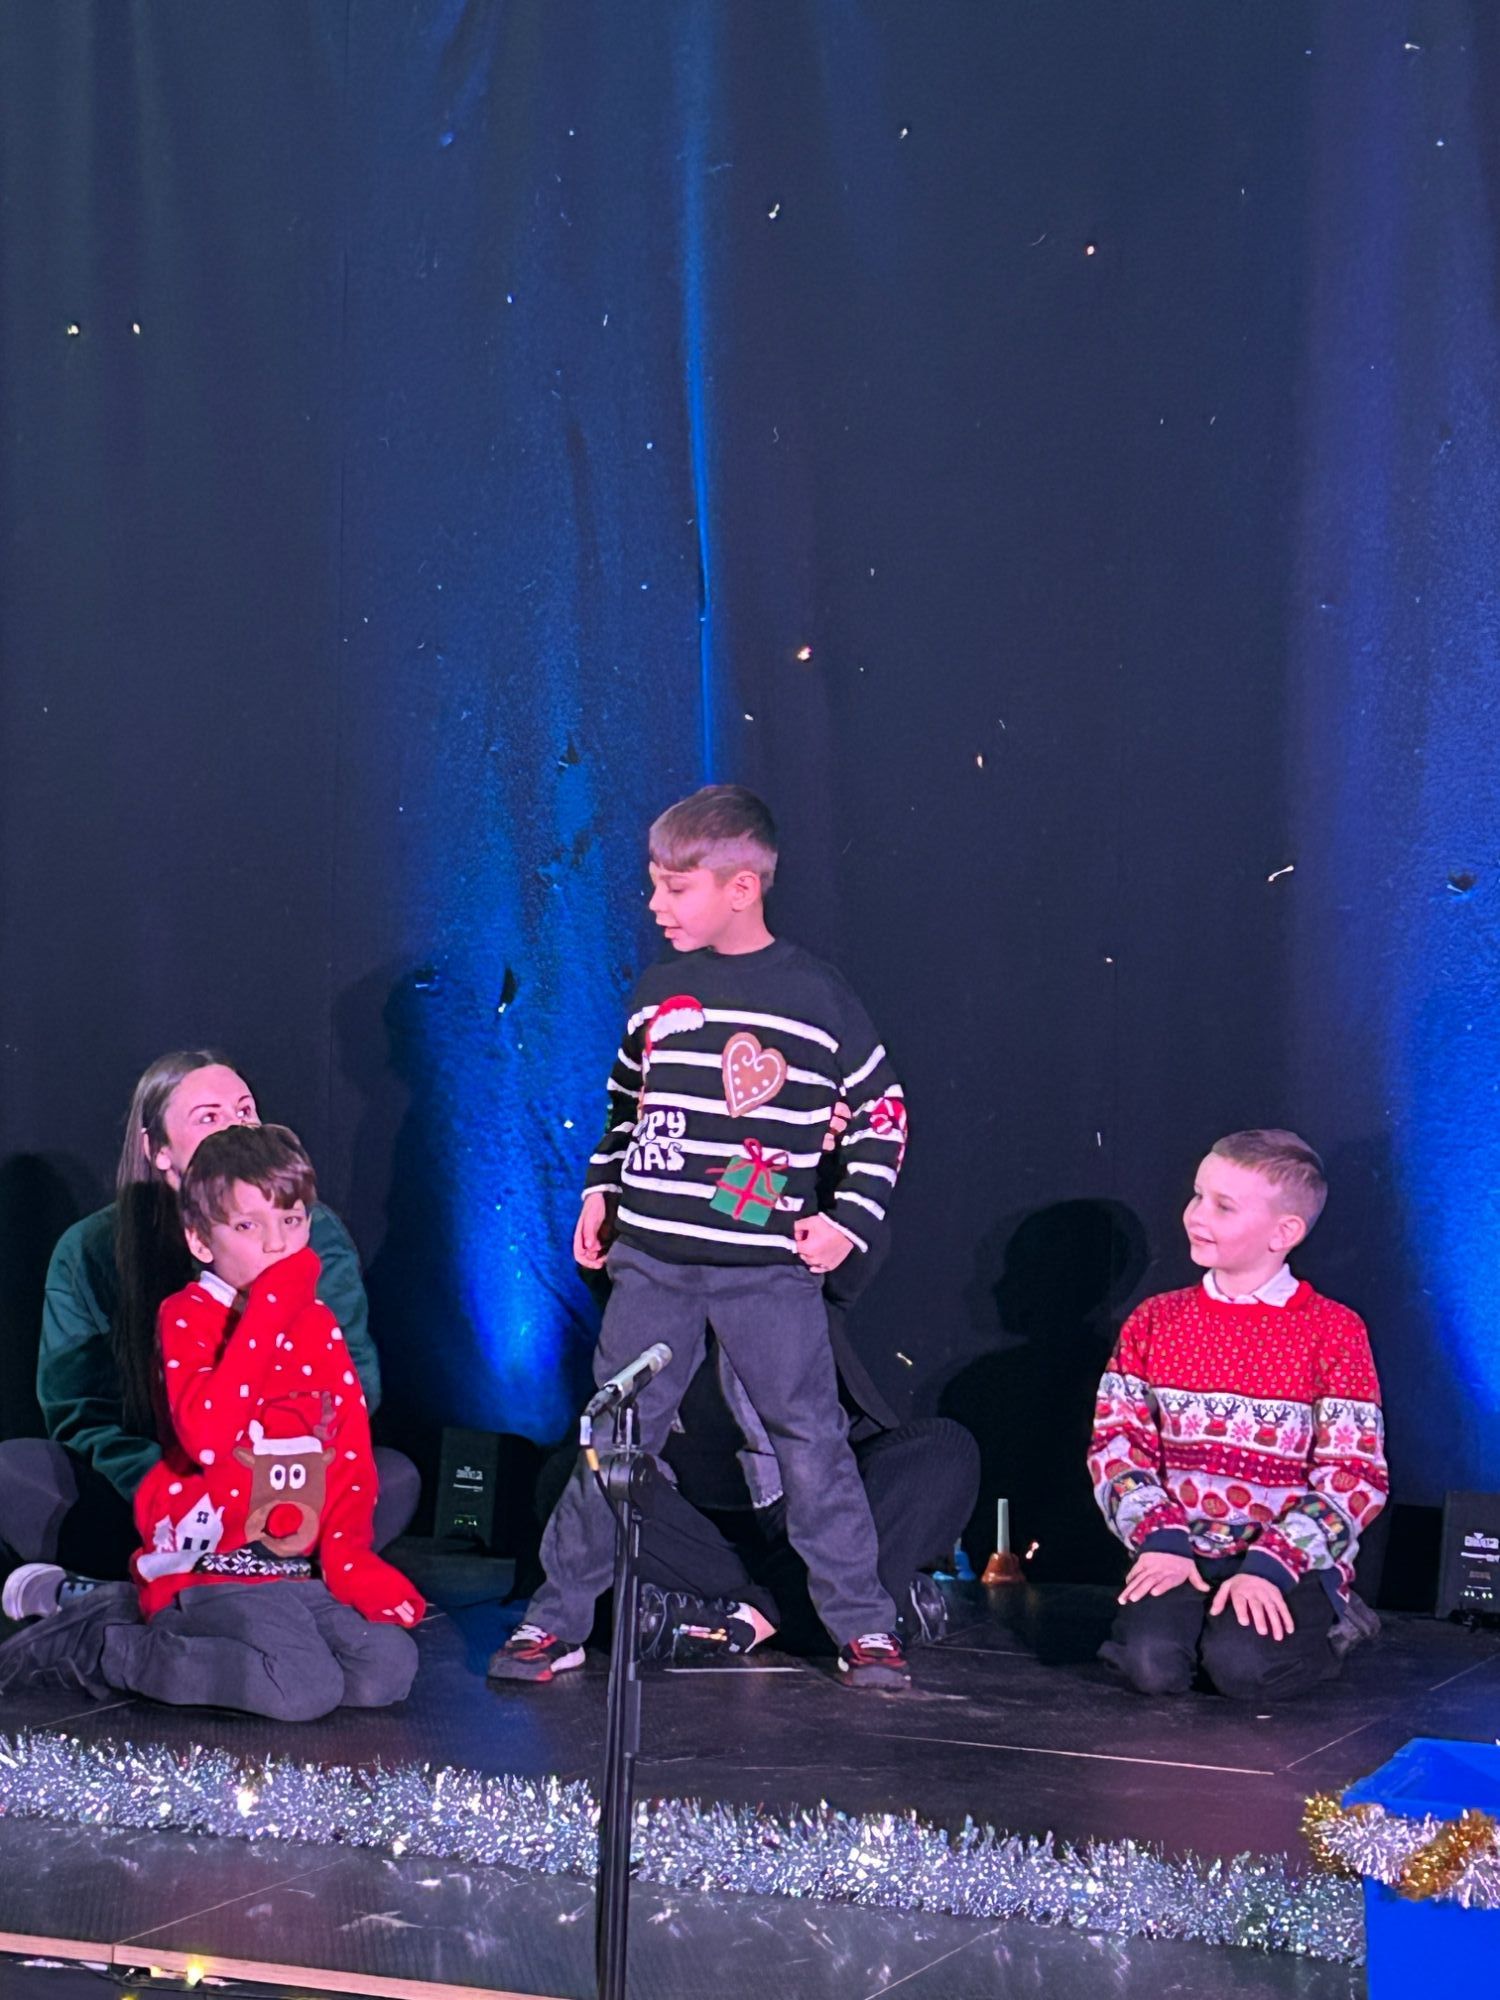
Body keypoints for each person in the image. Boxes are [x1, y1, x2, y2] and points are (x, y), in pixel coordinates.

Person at [489, 784, 913, 1690]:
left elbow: (882, 1115)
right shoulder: (655, 992)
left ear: (741, 887)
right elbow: (626, 1111)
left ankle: (863, 1628)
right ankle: (556, 1622)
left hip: (764, 1272)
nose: (656, 906)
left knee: (810, 1440)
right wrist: (600, 1194)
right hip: (654, 1265)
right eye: (654, 886)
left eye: (675, 888)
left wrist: (848, 1222)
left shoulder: (813, 998)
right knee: (614, 1438)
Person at [0, 1125, 424, 1720]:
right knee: (302, 1688)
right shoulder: (188, 1316)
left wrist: (349, 1558)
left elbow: (348, 1448)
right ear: (201, 1241)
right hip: (214, 1556)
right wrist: (273, 1308)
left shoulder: (319, 1323)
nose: (278, 1244)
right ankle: (103, 1646)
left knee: (386, 1668)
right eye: (249, 1226)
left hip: (292, 1561)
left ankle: (114, 1604)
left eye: (293, 1220)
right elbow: (208, 1436)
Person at [1088, 1130, 1387, 1702]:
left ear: (1285, 1233)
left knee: (1241, 1668)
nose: (1198, 1215)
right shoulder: (1157, 1320)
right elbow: (1117, 1445)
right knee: (1152, 1667)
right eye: (1198, 1196)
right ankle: (1185, 1628)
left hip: (1283, 1558)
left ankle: (1330, 1621)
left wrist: (1277, 1560)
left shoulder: (1333, 1331)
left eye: (1224, 1206)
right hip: (1182, 1548)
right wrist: (1159, 1536)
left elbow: (1355, 1476)